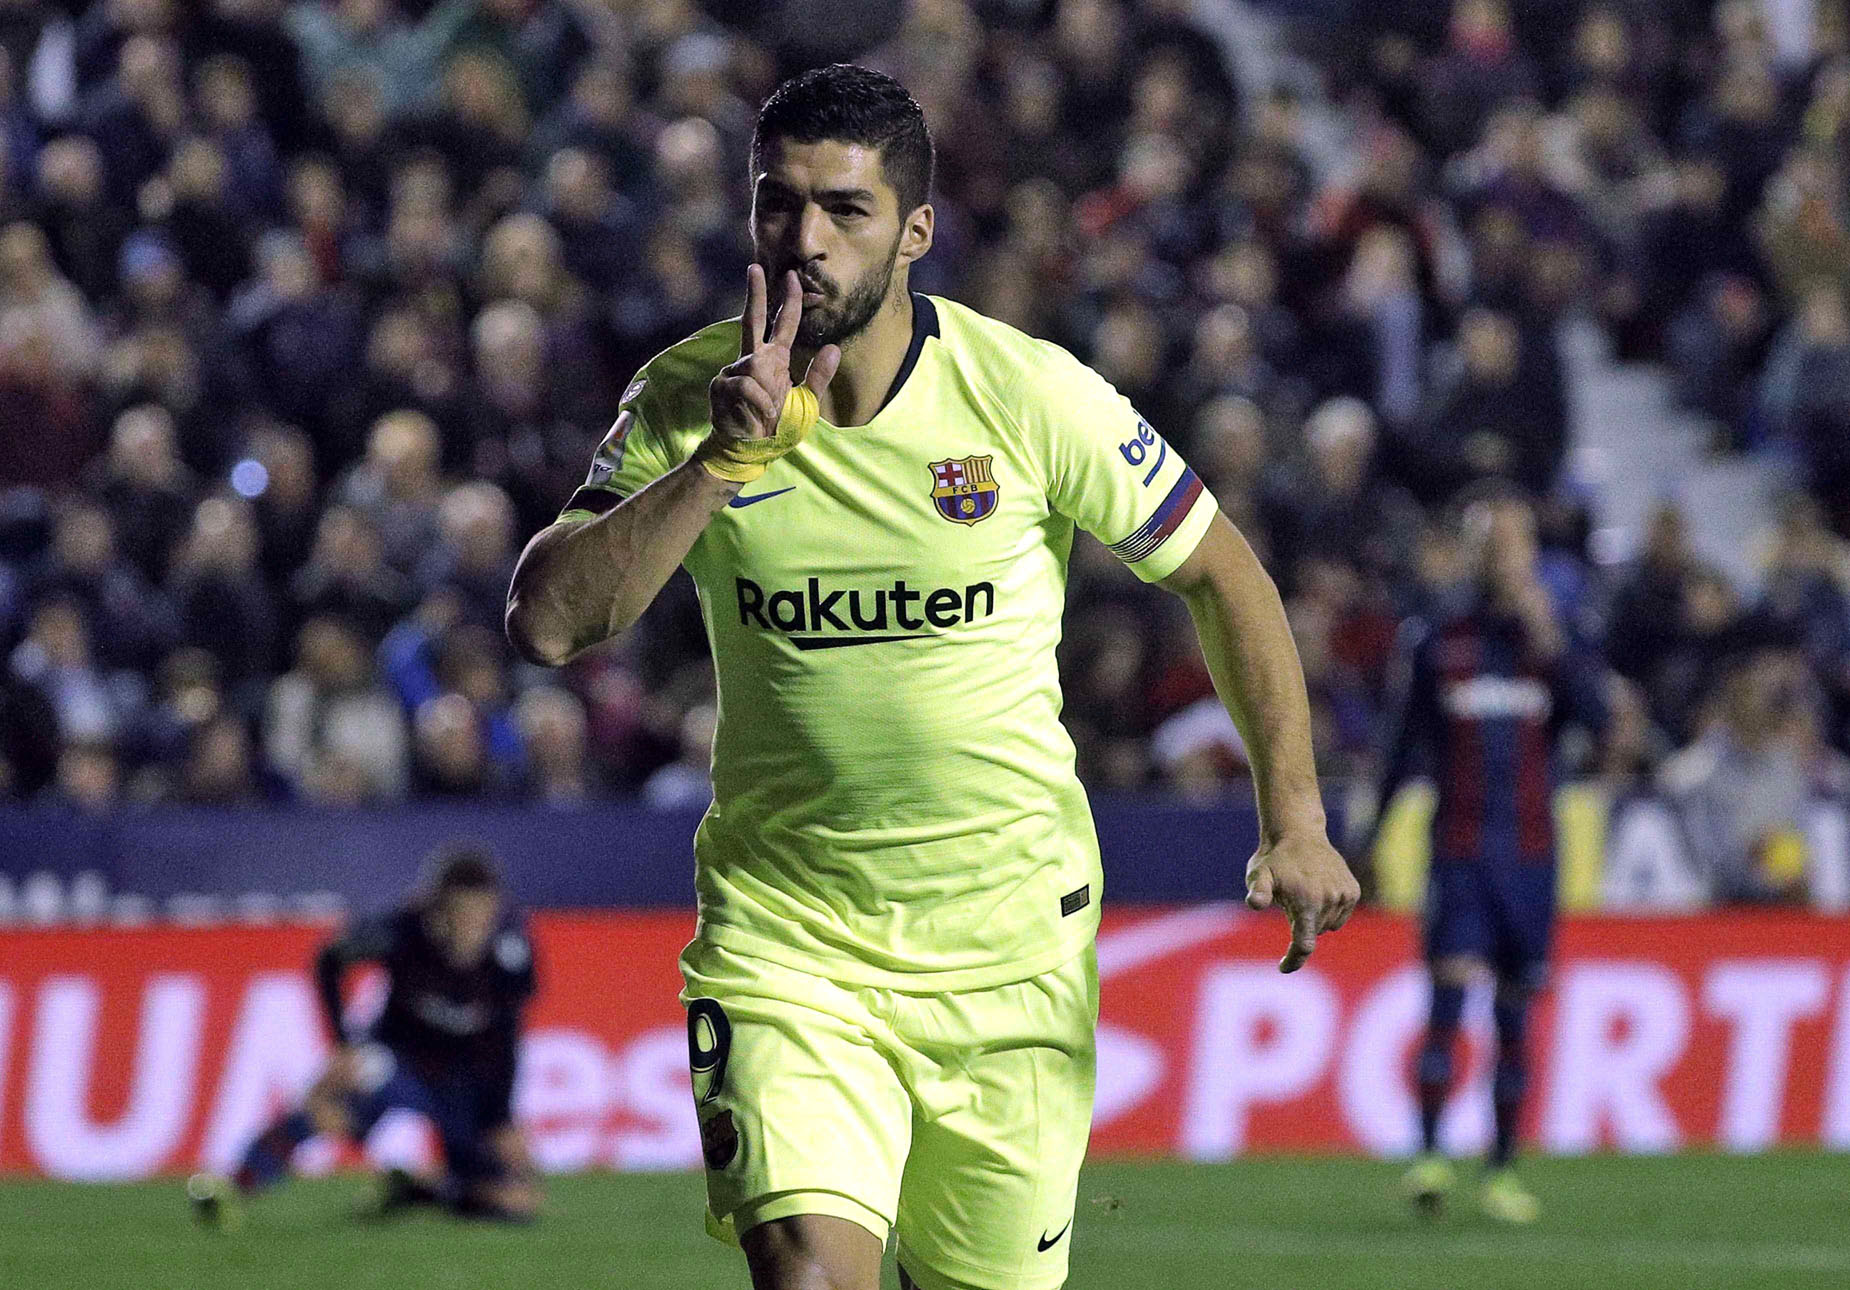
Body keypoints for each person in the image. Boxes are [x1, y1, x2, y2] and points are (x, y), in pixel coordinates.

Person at [505, 64, 1357, 1290]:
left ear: (914, 231)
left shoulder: (1026, 393)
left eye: (843, 210)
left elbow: (1226, 577)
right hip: (789, 944)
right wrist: (721, 464)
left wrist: (1296, 820)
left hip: (1011, 956)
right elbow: (546, 624)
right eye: (777, 204)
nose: (804, 240)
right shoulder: (691, 398)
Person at [1361, 491, 1613, 1224]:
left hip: (1531, 852)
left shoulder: (1556, 636)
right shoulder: (1438, 639)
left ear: (1532, 552)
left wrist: (1552, 639)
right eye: (1491, 543)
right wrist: (1369, 835)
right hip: (1460, 848)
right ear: (1471, 553)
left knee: (1513, 1013)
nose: (1504, 557)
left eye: (1515, 542)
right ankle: (1429, 1156)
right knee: (1446, 996)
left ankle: (1501, 1169)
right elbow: (1400, 745)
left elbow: (1599, 720)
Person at [188, 846, 539, 1227]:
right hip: (400, 1056)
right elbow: (329, 959)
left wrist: (501, 1114)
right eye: (463, 914)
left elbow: (506, 1035)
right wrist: (343, 1045)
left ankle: (417, 1191)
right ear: (439, 909)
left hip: (463, 1078)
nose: (473, 927)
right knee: (332, 1105)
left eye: (483, 915)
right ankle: (235, 1185)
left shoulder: (511, 952)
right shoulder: (402, 931)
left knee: (514, 1203)